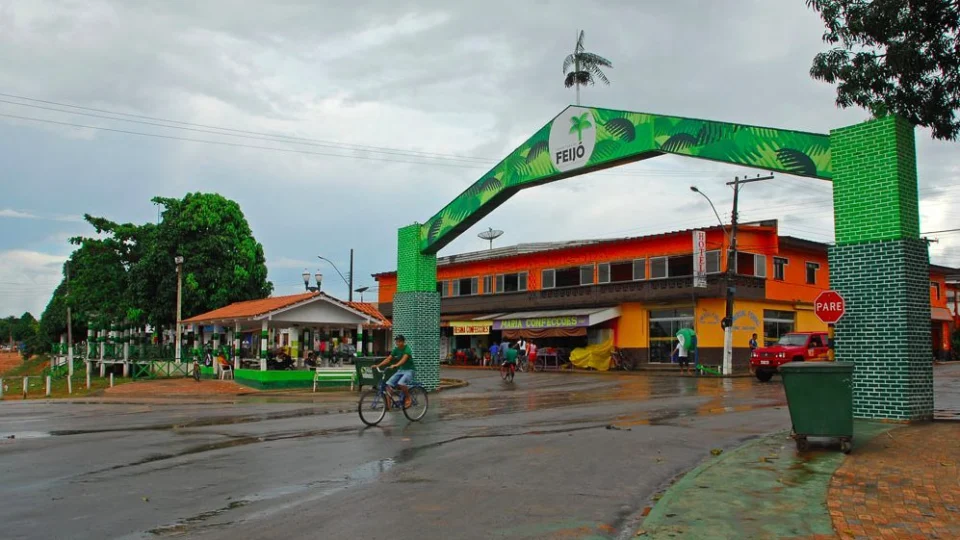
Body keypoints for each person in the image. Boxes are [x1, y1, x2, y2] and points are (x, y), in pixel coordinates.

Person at [375, 335, 415, 408]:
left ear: (403, 342)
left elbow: (404, 359)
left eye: (399, 341)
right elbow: (388, 359)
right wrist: (378, 365)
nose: (397, 343)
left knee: (401, 383)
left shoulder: (407, 349)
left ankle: (408, 398)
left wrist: (396, 365)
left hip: (409, 370)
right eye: (396, 341)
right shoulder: (396, 349)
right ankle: (388, 405)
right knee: (388, 385)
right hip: (401, 370)